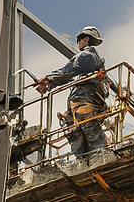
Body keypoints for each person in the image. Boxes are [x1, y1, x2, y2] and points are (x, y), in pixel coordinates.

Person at [33, 26, 108, 156]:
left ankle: (101, 155)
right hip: (80, 104)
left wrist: (48, 78)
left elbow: (68, 71)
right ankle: (84, 159)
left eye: (79, 39)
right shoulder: (90, 60)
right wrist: (51, 82)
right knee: (74, 131)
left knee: (89, 128)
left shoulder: (87, 55)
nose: (78, 43)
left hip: (85, 102)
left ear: (85, 39)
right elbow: (68, 76)